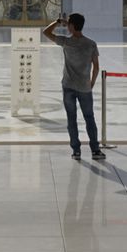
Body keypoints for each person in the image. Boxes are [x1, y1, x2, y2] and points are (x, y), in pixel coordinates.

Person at [43, 11, 105, 161]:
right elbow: (96, 67)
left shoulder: (66, 42)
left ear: (70, 26)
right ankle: (95, 150)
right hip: (84, 87)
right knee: (89, 118)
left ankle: (76, 150)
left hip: (68, 86)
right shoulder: (91, 44)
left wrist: (58, 22)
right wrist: (91, 83)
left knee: (72, 119)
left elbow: (46, 32)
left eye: (68, 23)